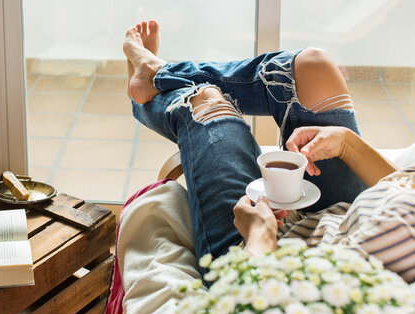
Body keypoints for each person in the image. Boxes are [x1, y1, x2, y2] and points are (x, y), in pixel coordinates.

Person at [123, 20, 414, 281]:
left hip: (273, 266)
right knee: (314, 66)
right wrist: (346, 142)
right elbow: (404, 186)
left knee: (208, 103)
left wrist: (259, 236)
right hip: (358, 211)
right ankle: (160, 73)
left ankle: (149, 86)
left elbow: (272, 309)